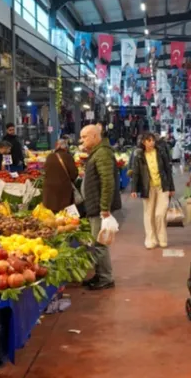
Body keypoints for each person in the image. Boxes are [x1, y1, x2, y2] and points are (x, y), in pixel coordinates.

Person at [80, 124, 120, 290]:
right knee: (97, 243)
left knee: (99, 244)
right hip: (95, 204)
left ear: (95, 137)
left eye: (85, 137)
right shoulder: (97, 152)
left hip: (98, 207)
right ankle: (100, 274)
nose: (82, 140)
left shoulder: (102, 153)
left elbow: (107, 182)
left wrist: (104, 208)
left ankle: (105, 278)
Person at [130, 132, 175, 249]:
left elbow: (168, 170)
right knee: (149, 214)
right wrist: (133, 189)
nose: (151, 143)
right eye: (148, 140)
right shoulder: (139, 155)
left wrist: (172, 187)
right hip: (148, 188)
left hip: (162, 187)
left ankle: (162, 238)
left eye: (153, 140)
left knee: (160, 214)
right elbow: (136, 173)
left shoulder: (161, 152)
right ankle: (151, 239)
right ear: (143, 142)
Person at [42, 137, 79, 213]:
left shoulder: (49, 156)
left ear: (56, 147)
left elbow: (44, 171)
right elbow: (74, 174)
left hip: (49, 191)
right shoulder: (68, 157)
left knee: (51, 214)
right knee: (63, 215)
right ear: (66, 148)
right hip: (63, 191)